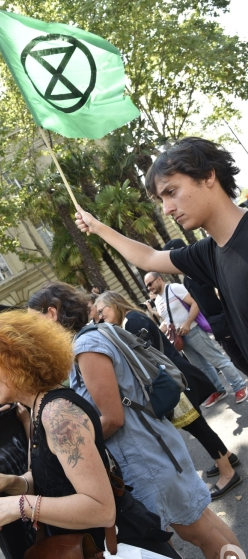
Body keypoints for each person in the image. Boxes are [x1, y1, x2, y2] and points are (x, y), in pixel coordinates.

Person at [28, 281, 248, 559]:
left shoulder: (86, 349)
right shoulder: (96, 335)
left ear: (51, 314)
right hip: (153, 447)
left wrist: (74, 447)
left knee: (201, 533)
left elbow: (113, 418)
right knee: (206, 526)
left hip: (145, 456)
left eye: (33, 319)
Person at [75, 137, 248, 365]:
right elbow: (149, 257)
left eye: (171, 191)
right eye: (161, 199)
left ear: (208, 175)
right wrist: (97, 227)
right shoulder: (209, 253)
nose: (166, 209)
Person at [0, 309, 115, 555]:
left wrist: (21, 505)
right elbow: (58, 476)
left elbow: (102, 509)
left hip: (109, 558)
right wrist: (14, 483)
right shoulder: (38, 408)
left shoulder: (57, 414)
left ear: (14, 364)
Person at [95, 290, 242, 500]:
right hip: (174, 379)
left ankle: (228, 473)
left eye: (102, 310)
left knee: (199, 428)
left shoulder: (133, 322)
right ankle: (227, 456)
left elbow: (147, 362)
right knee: (199, 426)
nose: (100, 316)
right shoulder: (131, 321)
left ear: (114, 304)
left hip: (173, 381)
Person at [143, 271, 247, 405]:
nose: (149, 288)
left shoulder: (175, 288)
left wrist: (187, 323)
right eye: (146, 286)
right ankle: (218, 390)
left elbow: (194, 304)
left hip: (193, 330)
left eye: (150, 284)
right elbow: (167, 320)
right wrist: (155, 329)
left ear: (159, 279)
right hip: (180, 339)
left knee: (217, 360)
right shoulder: (157, 300)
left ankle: (239, 386)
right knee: (201, 367)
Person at [162, 238, 248, 379]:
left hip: (230, 320)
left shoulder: (204, 268)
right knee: (238, 361)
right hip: (217, 327)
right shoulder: (186, 280)